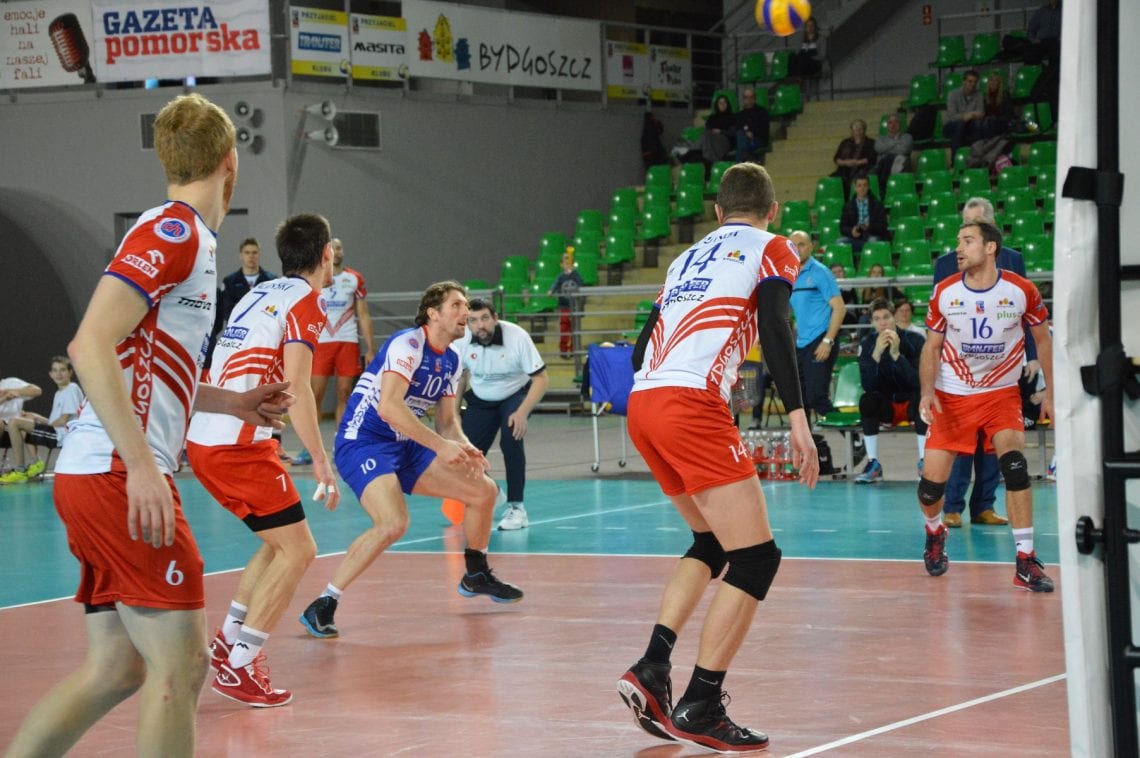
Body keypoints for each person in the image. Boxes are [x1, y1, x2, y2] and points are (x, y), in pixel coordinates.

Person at [5, 93, 295, 758]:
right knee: (183, 666)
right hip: (116, 473)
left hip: (98, 472)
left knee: (117, 668)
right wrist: (139, 464)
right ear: (231, 162)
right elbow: (88, 346)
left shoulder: (190, 240)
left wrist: (234, 403)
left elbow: (148, 370)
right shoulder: (173, 233)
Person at [617, 162, 819, 753]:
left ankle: (653, 665)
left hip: (643, 402)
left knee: (710, 543)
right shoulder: (773, 247)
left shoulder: (685, 258)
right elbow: (775, 324)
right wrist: (798, 419)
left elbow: (639, 351)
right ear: (772, 211)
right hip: (690, 404)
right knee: (756, 560)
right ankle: (701, 703)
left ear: (716, 211)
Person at [299, 281, 523, 639]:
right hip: (364, 442)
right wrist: (440, 446)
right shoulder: (408, 344)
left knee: (484, 490)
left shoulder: (452, 359)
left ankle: (476, 573)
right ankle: (324, 601)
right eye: (457, 305)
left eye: (466, 306)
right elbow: (389, 407)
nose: (465, 312)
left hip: (406, 441)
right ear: (433, 313)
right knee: (393, 523)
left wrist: (464, 446)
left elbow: (447, 421)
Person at [185, 213, 339, 708]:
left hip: (210, 436)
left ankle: (230, 640)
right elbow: (299, 389)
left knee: (278, 544)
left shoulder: (261, 292)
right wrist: (321, 459)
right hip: (236, 445)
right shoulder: (306, 301)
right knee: (300, 551)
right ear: (327, 254)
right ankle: (241, 664)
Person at [917, 220, 1054, 592]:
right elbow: (931, 347)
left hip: (1001, 393)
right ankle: (935, 531)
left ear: (990, 247)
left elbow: (1043, 341)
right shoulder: (945, 292)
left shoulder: (1021, 290)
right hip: (952, 395)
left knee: (1015, 465)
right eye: (958, 241)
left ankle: (1025, 559)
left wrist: (1051, 394)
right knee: (930, 490)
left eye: (967, 241)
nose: (958, 248)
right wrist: (927, 392)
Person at [933, 197, 1037, 528]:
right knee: (960, 444)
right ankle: (952, 507)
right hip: (960, 373)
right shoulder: (946, 264)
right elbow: (938, 322)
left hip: (1002, 368)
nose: (968, 232)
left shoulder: (1013, 260)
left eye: (976, 224)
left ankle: (984, 506)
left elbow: (1025, 314)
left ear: (991, 230)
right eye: (965, 224)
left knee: (997, 445)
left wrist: (1032, 356)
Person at [455, 298, 549, 531]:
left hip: (514, 395)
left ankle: (517, 508)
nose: (480, 325)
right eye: (473, 320)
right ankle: (493, 493)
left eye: (485, 318)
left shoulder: (517, 337)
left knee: (511, 439)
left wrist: (522, 412)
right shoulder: (462, 340)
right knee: (466, 454)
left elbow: (541, 378)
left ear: (495, 318)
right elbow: (460, 377)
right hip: (481, 399)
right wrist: (454, 414)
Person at [294, 238, 375, 465]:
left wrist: (370, 349)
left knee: (344, 393)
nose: (337, 252)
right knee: (315, 395)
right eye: (332, 248)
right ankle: (309, 448)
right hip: (321, 341)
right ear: (325, 253)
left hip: (347, 341)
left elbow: (363, 314)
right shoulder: (316, 277)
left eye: (339, 248)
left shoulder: (354, 278)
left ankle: (342, 447)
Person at [854, 299, 927, 483]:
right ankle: (873, 463)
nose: (883, 323)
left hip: (911, 403)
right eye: (877, 319)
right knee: (867, 400)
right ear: (872, 322)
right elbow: (868, 385)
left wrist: (896, 355)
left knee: (923, 398)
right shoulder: (867, 344)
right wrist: (876, 355)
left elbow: (917, 382)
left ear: (894, 317)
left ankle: (925, 462)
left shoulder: (915, 340)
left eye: (886, 317)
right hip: (886, 405)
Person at [789, 230, 846, 421]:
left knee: (817, 397)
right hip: (801, 343)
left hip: (821, 340)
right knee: (800, 400)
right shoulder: (790, 274)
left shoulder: (821, 272)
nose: (797, 249)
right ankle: (809, 440)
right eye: (793, 245)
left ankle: (852, 435)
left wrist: (828, 341)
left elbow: (839, 308)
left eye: (802, 244)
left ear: (811, 247)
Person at [0, 356, 84, 482]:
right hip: (58, 431)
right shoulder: (60, 392)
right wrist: (36, 417)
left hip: (63, 435)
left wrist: (9, 392)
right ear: (50, 374)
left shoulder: (71, 389)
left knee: (14, 422)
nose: (59, 374)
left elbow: (63, 420)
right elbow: (58, 421)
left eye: (62, 370)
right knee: (24, 418)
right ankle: (34, 463)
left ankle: (21, 470)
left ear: (70, 372)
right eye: (55, 370)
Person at [211, 237, 277, 364]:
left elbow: (274, 309)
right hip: (238, 337)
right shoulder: (230, 281)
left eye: (254, 252)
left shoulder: (271, 281)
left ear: (259, 254)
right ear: (241, 255)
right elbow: (227, 312)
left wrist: (241, 307)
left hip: (264, 336)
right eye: (247, 253)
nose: (251, 256)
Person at [0, 372, 43, 483]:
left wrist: (14, 391)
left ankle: (33, 464)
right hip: (2, 431)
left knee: (26, 418)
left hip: (15, 429)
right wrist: (4, 398)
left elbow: (37, 391)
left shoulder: (11, 382)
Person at [838, 175, 890, 256]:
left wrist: (869, 226)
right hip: (855, 239)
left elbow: (883, 226)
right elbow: (842, 227)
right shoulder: (848, 206)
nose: (862, 188)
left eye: (865, 185)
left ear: (868, 187)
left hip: (872, 236)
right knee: (840, 242)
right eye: (859, 186)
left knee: (873, 242)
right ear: (855, 188)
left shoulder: (877, 205)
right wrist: (851, 231)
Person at [549, 248, 585, 358]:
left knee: (574, 327)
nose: (568, 265)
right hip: (564, 306)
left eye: (570, 263)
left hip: (574, 306)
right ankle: (563, 350)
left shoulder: (576, 275)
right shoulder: (561, 276)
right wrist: (551, 290)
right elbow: (555, 284)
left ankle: (574, 349)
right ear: (561, 265)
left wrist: (574, 272)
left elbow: (581, 284)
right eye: (566, 263)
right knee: (564, 327)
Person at [831, 119, 876, 198]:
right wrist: (845, 162)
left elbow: (872, 158)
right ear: (852, 130)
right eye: (855, 128)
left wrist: (858, 162)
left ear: (864, 130)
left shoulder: (871, 142)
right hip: (844, 169)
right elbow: (836, 158)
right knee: (833, 179)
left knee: (857, 180)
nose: (857, 130)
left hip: (862, 169)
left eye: (860, 128)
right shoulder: (845, 142)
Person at [942, 69, 984, 154]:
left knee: (979, 126)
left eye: (975, 82)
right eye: (970, 81)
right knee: (960, 125)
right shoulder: (952, 94)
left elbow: (981, 113)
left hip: (969, 125)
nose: (973, 84)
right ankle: (955, 157)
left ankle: (976, 156)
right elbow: (952, 116)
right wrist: (967, 116)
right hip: (951, 126)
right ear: (964, 82)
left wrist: (970, 115)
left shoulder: (979, 95)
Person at [873, 114, 912, 197]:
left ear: (900, 124)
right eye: (890, 123)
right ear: (887, 126)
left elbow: (904, 150)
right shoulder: (880, 139)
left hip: (900, 165)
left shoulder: (907, 137)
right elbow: (878, 148)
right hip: (882, 166)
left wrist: (886, 149)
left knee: (889, 157)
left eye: (896, 122)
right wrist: (896, 143)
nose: (893, 125)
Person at [734, 87, 770, 163]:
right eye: (746, 97)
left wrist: (753, 133)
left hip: (758, 140)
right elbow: (737, 128)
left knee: (742, 145)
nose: (749, 99)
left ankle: (739, 163)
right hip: (744, 140)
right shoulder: (740, 115)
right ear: (743, 99)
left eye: (751, 97)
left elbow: (765, 130)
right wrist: (746, 133)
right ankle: (747, 159)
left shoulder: (762, 112)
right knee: (741, 136)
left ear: (755, 98)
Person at [700, 95, 736, 167]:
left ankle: (686, 153)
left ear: (727, 104)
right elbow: (707, 129)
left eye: (724, 102)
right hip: (711, 140)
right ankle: (712, 160)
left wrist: (720, 131)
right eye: (720, 103)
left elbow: (733, 133)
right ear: (717, 105)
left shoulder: (733, 117)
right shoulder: (712, 117)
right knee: (706, 135)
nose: (722, 104)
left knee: (706, 137)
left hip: (725, 140)